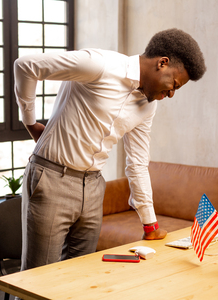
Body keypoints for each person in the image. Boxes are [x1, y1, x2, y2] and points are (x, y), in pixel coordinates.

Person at [14, 28, 206, 271]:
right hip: (52, 179)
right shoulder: (100, 65)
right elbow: (26, 65)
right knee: (38, 279)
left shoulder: (148, 107)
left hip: (94, 187)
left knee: (80, 277)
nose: (170, 94)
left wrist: (150, 224)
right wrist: (30, 123)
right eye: (174, 84)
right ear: (162, 63)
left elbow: (137, 162)